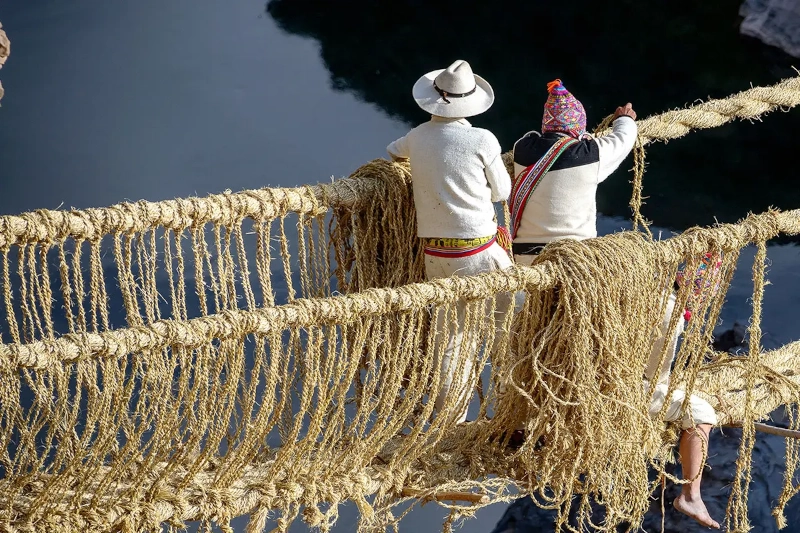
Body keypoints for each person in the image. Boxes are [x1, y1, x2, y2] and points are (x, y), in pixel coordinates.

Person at [386, 59, 513, 424]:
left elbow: (393, 152)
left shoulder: (417, 136)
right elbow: (502, 191)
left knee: (452, 336)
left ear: (434, 99)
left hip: (435, 254)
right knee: (520, 319)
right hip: (478, 251)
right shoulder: (482, 139)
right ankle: (509, 410)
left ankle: (451, 420)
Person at [509, 79, 637, 265]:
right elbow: (623, 139)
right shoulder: (590, 153)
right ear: (579, 127)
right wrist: (624, 119)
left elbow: (533, 136)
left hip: (525, 256)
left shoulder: (522, 149)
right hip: (574, 257)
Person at [646, 255, 722, 529]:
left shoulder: (649, 293)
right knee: (701, 411)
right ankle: (691, 495)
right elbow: (655, 375)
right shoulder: (670, 313)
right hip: (628, 391)